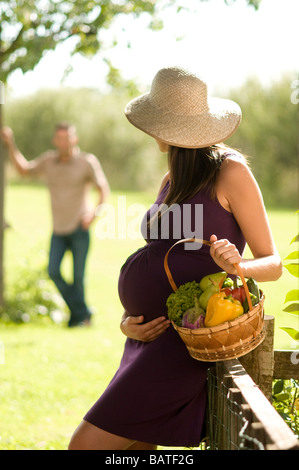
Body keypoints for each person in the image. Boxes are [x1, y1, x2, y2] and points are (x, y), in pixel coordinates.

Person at [68, 66, 282, 449]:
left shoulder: (230, 171)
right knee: (138, 448)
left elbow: (273, 264)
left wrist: (238, 266)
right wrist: (127, 321)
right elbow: (160, 256)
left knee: (84, 446)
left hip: (186, 340)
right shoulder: (171, 177)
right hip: (147, 339)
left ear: (169, 128)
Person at [0, 122, 110, 327]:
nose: (63, 142)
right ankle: (83, 312)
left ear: (74, 139)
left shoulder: (87, 161)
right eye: (59, 138)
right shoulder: (49, 161)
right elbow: (24, 170)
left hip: (79, 228)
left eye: (67, 137)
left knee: (78, 278)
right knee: (53, 271)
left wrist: (94, 214)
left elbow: (103, 188)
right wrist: (10, 143)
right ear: (54, 140)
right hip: (58, 229)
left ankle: (78, 319)